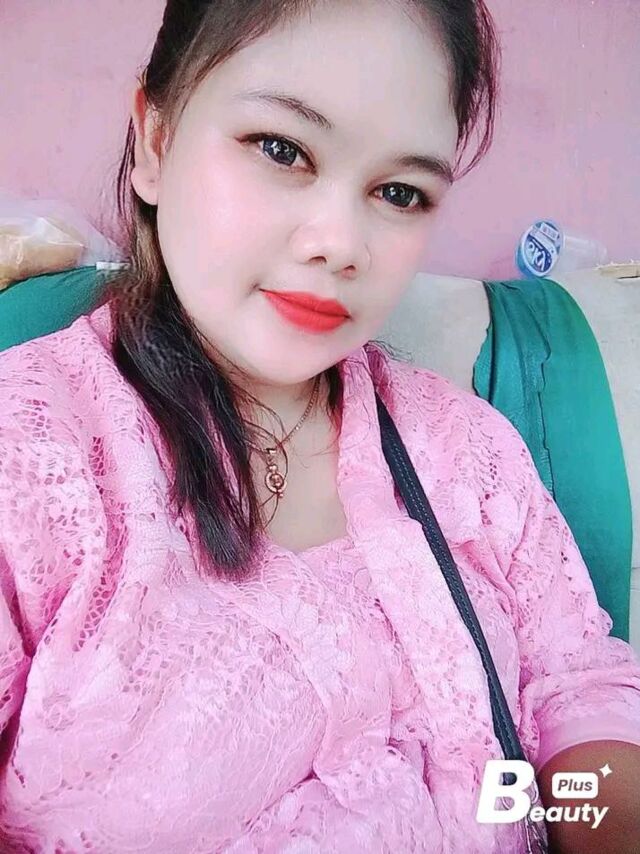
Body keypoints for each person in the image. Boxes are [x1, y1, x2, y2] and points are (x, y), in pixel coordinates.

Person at [0, 1, 639, 851]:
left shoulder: (469, 451)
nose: (342, 244)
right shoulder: (28, 454)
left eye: (400, 192)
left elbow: (578, 689)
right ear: (155, 140)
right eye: (281, 149)